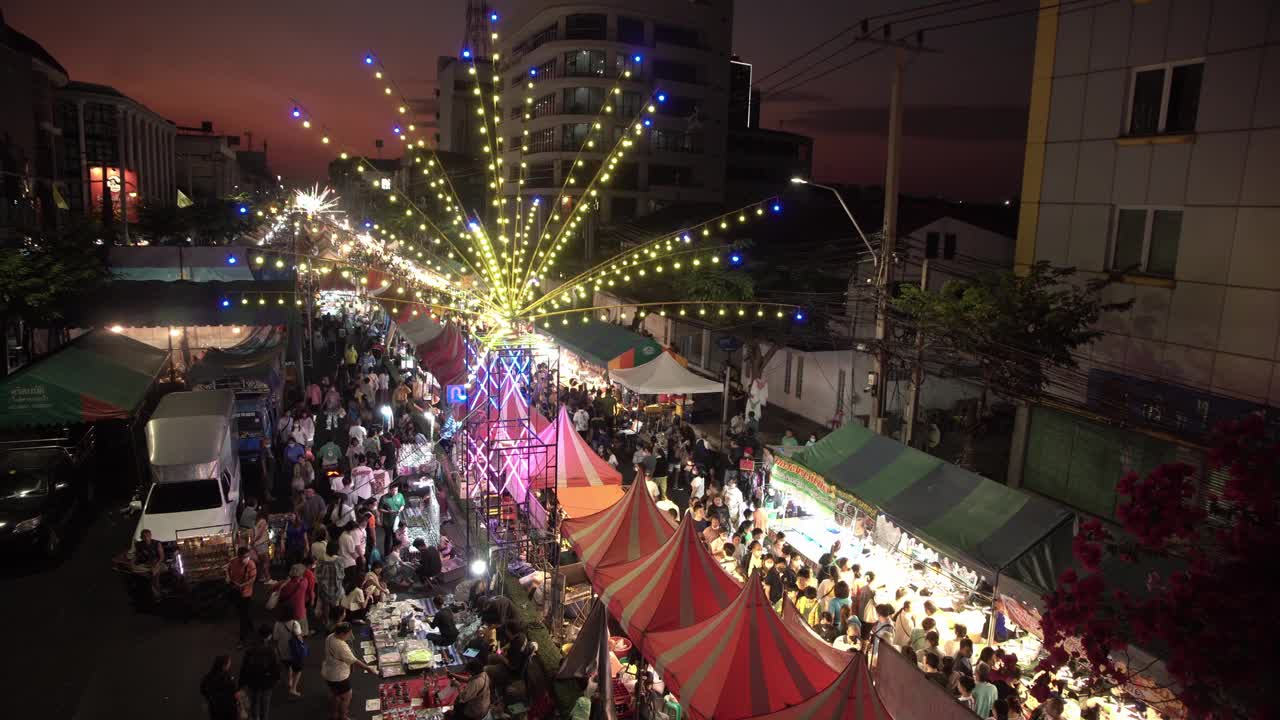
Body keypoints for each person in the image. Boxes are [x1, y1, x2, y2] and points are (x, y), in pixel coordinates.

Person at [321, 622, 375, 720]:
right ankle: (343, 716)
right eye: (348, 634)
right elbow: (353, 660)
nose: (350, 636)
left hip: (328, 672)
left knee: (336, 694)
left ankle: (335, 714)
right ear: (342, 634)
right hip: (338, 676)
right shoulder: (341, 646)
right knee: (347, 696)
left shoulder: (330, 637)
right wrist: (368, 668)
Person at [238, 625, 280, 720]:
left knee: (254, 703)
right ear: (268, 636)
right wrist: (276, 679)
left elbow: (244, 668)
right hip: (266, 682)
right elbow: (275, 668)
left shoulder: (250, 650)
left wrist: (241, 684)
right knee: (265, 705)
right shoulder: (271, 651)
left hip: (253, 681)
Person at [227, 546, 258, 645]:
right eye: (244, 556)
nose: (246, 558)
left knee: (243, 616)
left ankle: (242, 638)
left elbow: (253, 579)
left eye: (247, 556)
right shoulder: (233, 562)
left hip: (246, 593)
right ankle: (252, 629)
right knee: (243, 613)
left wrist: (242, 585)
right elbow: (228, 571)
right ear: (239, 556)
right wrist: (230, 580)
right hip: (236, 592)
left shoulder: (251, 564)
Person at [273, 611, 305, 698]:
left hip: (282, 650)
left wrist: (277, 650)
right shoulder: (295, 623)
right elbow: (299, 637)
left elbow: (275, 638)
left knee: (286, 667)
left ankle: (289, 681)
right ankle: (293, 688)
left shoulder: (277, 624)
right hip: (294, 652)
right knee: (298, 670)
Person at [200, 655, 240, 720]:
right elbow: (232, 690)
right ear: (224, 664)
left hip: (215, 708)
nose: (229, 665)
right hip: (228, 708)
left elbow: (203, 689)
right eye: (228, 663)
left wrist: (209, 699)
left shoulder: (209, 676)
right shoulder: (226, 676)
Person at [132, 528, 166, 597]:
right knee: (133, 569)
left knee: (154, 574)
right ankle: (156, 592)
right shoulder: (139, 545)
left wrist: (156, 565)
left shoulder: (157, 543)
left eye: (148, 536)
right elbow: (136, 555)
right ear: (142, 538)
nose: (146, 538)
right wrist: (134, 561)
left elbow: (162, 556)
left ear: (150, 536)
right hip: (146, 565)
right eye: (144, 536)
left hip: (157, 563)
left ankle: (157, 593)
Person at [378, 483, 406, 557]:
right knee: (388, 538)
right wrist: (388, 512)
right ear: (389, 490)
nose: (394, 492)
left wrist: (400, 509)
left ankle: (394, 554)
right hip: (387, 522)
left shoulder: (400, 495)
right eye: (393, 490)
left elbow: (403, 505)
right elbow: (380, 509)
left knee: (395, 538)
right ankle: (386, 555)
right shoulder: (384, 498)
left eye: (396, 490)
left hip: (396, 522)